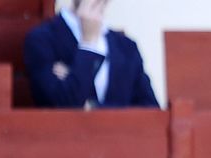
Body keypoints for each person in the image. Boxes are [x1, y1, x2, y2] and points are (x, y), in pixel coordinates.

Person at [24, 0, 159, 108]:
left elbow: (151, 111)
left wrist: (93, 108)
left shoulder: (126, 47)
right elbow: (62, 105)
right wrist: (88, 44)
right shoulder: (42, 40)